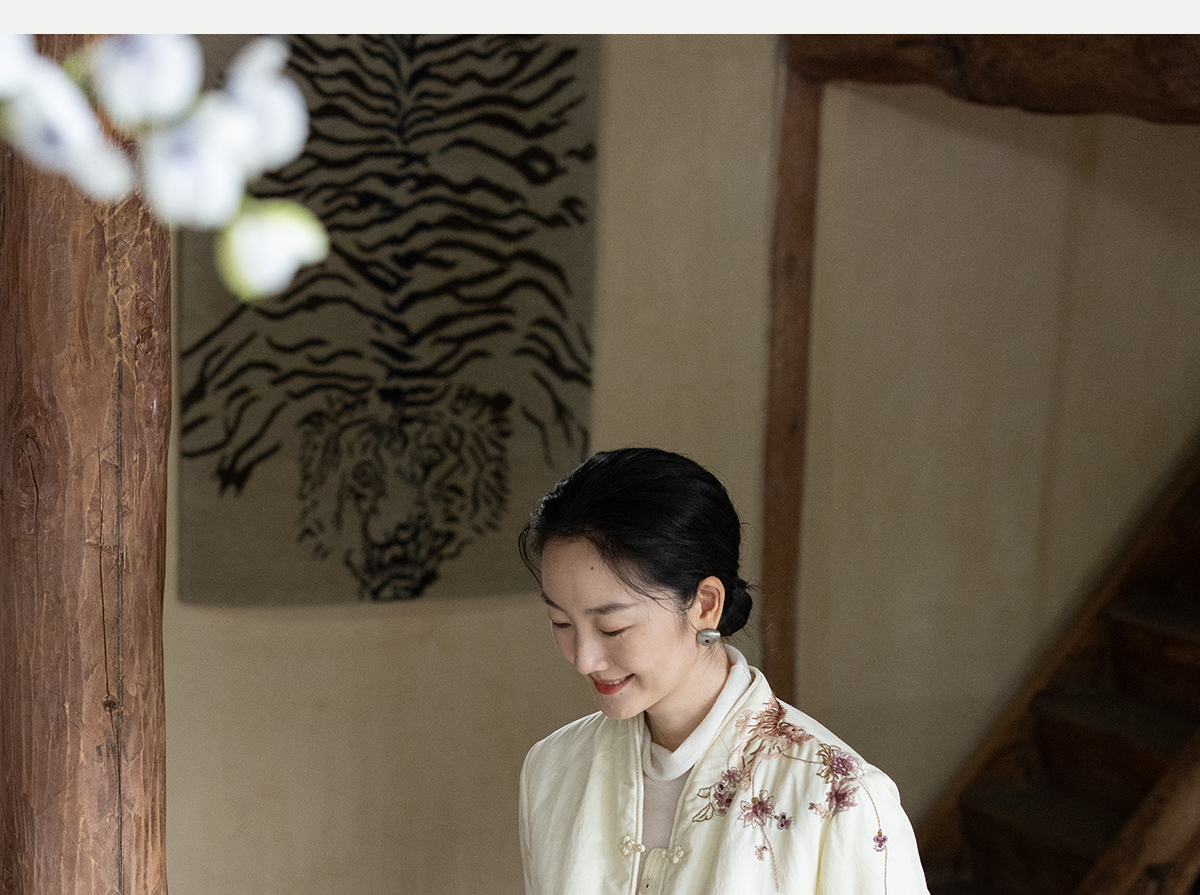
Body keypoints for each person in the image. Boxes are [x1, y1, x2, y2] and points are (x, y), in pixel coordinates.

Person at [517, 447, 930, 894]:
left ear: (705, 604)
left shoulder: (841, 797)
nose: (583, 659)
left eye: (612, 628)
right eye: (561, 623)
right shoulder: (553, 768)